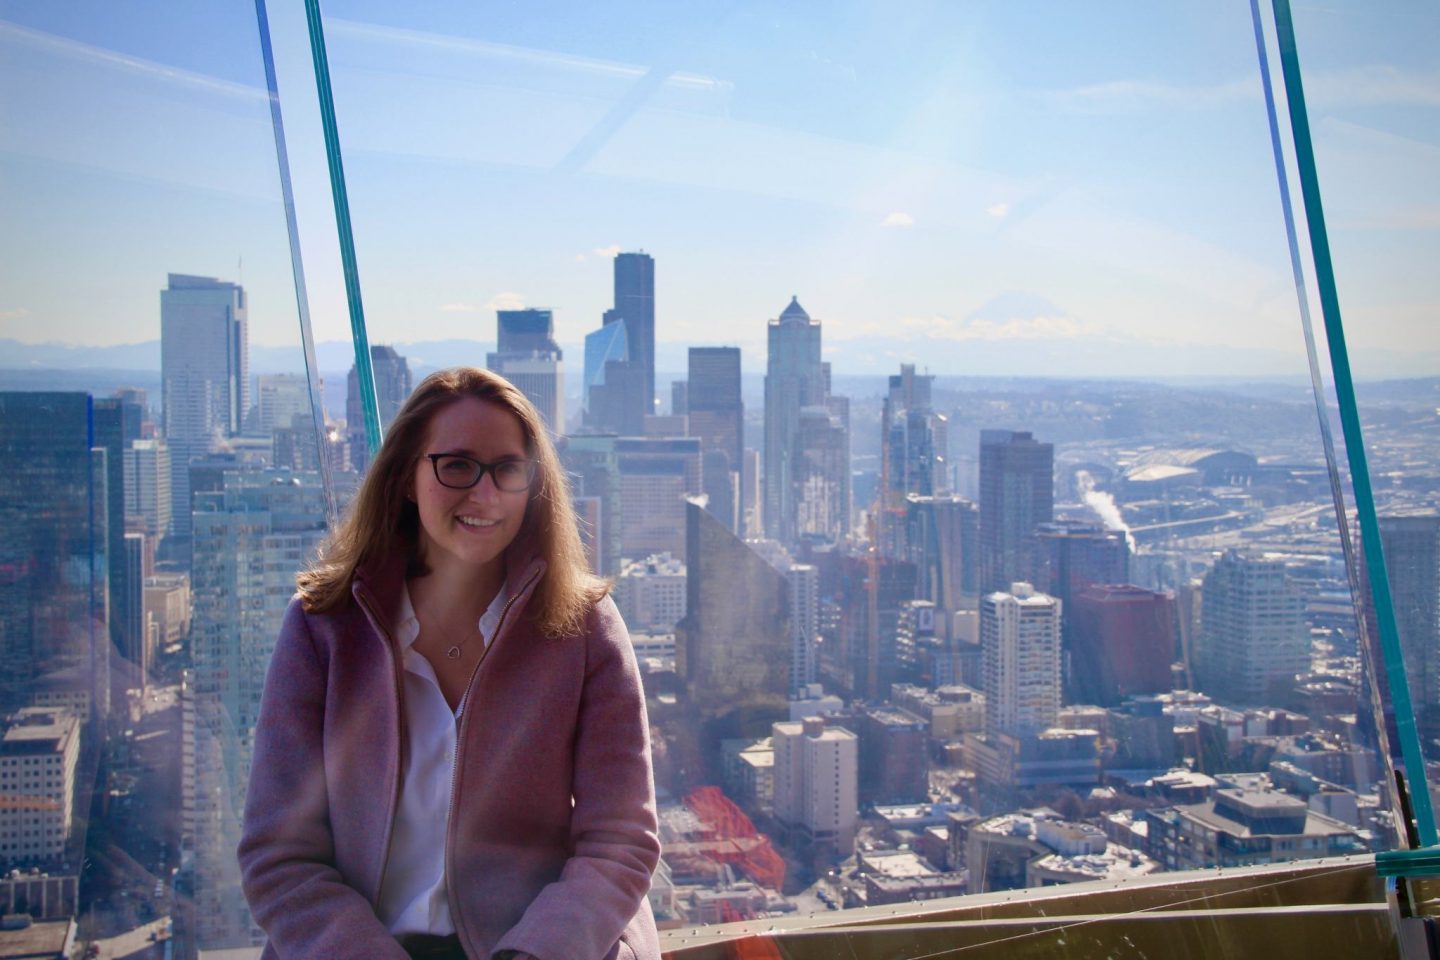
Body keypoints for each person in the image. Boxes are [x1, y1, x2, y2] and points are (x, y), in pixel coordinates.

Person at [239, 367, 660, 960]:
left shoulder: (584, 626)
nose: (484, 495)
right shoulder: (322, 628)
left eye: (507, 470)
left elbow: (619, 843)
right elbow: (278, 856)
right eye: (457, 465)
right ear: (408, 476)